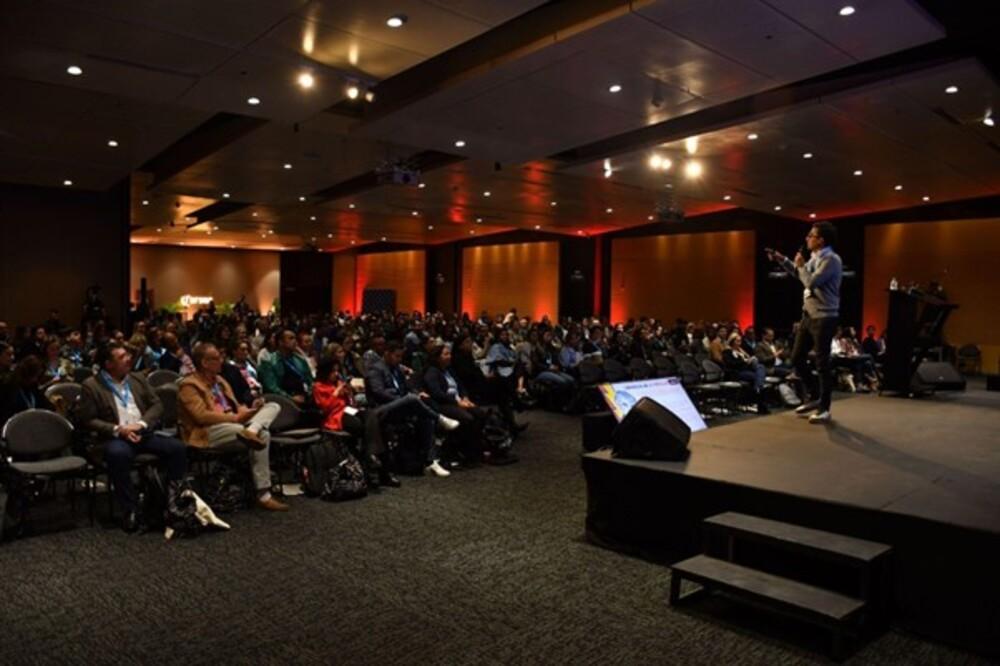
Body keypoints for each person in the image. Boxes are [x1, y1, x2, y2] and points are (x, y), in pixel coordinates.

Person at [76, 342, 188, 532]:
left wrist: (141, 424)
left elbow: (157, 405)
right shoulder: (92, 385)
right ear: (108, 364)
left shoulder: (137, 379)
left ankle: (173, 502)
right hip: (114, 438)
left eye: (127, 355)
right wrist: (119, 430)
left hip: (143, 432)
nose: (128, 359)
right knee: (118, 455)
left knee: (177, 448)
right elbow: (88, 420)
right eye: (122, 357)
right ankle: (131, 509)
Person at [177, 343, 288, 511]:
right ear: (204, 363)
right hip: (207, 431)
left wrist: (250, 409)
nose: (221, 361)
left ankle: (263, 493)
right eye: (216, 358)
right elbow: (201, 417)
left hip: (234, 423)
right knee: (258, 433)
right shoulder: (189, 386)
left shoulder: (220, 381)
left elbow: (236, 406)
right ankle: (251, 431)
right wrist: (236, 418)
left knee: (272, 407)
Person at [768, 221, 843, 424]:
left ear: (821, 240)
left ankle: (824, 408)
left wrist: (801, 266)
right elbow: (798, 273)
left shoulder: (832, 260)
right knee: (796, 358)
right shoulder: (815, 257)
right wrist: (782, 259)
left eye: (811, 235)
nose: (807, 238)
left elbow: (810, 281)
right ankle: (815, 395)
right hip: (808, 316)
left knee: (822, 363)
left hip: (825, 316)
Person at [365, 340, 459, 478]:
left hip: (399, 407)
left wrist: (417, 392)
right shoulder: (376, 369)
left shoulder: (396, 369)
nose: (399, 359)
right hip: (380, 410)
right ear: (387, 354)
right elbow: (378, 392)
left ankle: (431, 461)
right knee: (411, 399)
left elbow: (406, 387)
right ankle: (440, 418)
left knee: (425, 417)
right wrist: (401, 398)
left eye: (400, 357)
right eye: (396, 356)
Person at [423, 344, 486, 464]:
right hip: (444, 404)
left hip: (458, 401)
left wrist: (465, 398)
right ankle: (459, 451)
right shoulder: (432, 372)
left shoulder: (449, 370)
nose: (449, 356)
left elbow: (460, 386)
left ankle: (473, 450)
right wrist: (458, 402)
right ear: (437, 357)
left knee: (480, 414)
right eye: (446, 354)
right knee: (467, 418)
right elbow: (437, 393)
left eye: (449, 354)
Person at [259, 329, 314, 406]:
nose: (295, 341)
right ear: (280, 342)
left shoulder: (300, 360)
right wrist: (290, 398)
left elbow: (310, 380)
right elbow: (272, 388)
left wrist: (310, 392)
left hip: (303, 397)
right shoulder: (268, 362)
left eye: (295, 338)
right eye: (291, 338)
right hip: (281, 402)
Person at [0, 356, 54, 427]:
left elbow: (44, 404)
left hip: (34, 423)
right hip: (14, 426)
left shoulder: (32, 387)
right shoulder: (9, 387)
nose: (37, 379)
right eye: (36, 376)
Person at [722, 333, 769, 414]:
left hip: (746, 370)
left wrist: (749, 360)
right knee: (758, 376)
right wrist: (745, 361)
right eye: (737, 341)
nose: (739, 343)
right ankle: (759, 391)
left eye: (740, 341)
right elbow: (731, 364)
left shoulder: (741, 350)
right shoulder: (727, 351)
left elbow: (748, 360)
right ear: (732, 342)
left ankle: (758, 389)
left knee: (760, 367)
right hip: (736, 372)